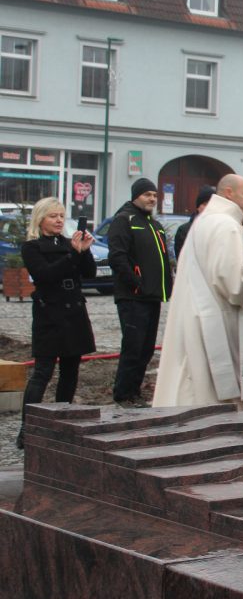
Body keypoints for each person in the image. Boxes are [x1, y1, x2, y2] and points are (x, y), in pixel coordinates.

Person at [154, 174, 243, 408]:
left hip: (194, 312)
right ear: (228, 193)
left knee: (188, 377)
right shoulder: (227, 226)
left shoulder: (204, 221)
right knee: (204, 386)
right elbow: (232, 282)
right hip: (214, 318)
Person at [15, 197, 96, 449]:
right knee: (42, 372)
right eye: (53, 216)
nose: (59, 220)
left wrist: (85, 250)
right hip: (49, 313)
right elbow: (46, 275)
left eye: (61, 215)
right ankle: (27, 428)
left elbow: (90, 273)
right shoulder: (32, 247)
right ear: (41, 219)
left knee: (71, 371)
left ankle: (62, 422)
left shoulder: (68, 242)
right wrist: (73, 253)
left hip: (74, 311)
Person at [108, 178, 174, 404]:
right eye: (147, 195)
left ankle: (134, 392)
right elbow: (117, 257)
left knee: (146, 350)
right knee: (133, 347)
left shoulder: (154, 225)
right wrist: (135, 282)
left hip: (152, 297)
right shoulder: (123, 220)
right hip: (133, 297)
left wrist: (167, 285)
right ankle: (123, 394)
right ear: (136, 196)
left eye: (155, 195)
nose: (152, 199)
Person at [174, 185, 215, 258]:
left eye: (212, 204)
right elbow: (182, 258)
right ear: (198, 207)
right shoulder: (184, 230)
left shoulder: (220, 229)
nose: (209, 207)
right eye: (205, 204)